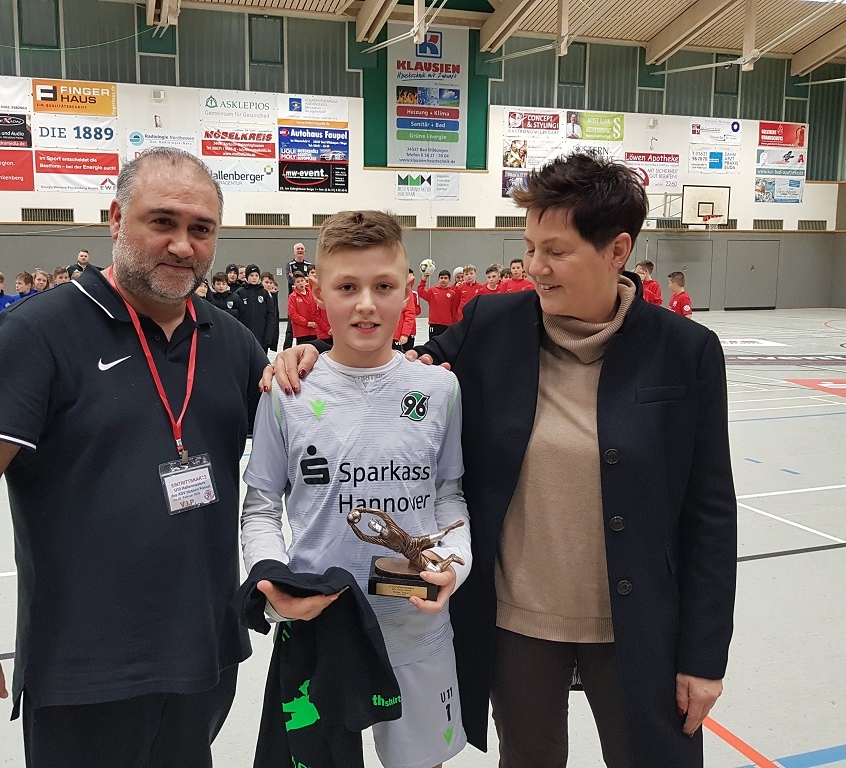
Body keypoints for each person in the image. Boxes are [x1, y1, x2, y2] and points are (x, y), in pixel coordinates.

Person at [268, 151, 737, 768]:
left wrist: (704, 656)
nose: (534, 266)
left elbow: (710, 511)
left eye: (556, 251)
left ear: (617, 251)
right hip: (519, 625)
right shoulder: (492, 324)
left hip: (640, 623)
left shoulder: (685, 351)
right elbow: (396, 370)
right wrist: (309, 357)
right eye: (530, 247)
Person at [0, 146, 269, 768]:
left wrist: (309, 366)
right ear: (115, 219)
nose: (183, 245)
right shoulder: (37, 333)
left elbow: (297, 459)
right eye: (162, 221)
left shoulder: (232, 342)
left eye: (201, 228)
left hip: (205, 656)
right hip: (84, 670)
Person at [242, 209, 471, 768]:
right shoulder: (287, 390)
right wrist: (273, 579)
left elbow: (448, 495)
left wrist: (455, 565)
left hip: (416, 627)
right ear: (318, 293)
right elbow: (262, 507)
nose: (366, 304)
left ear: (409, 291)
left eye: (383, 286)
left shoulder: (439, 390)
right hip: (320, 628)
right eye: (347, 287)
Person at [234, 264, 275, 351]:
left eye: (256, 275)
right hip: (244, 336)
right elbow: (235, 315)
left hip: (261, 337)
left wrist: (268, 338)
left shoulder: (265, 294)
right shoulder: (240, 293)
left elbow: (271, 315)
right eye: (251, 275)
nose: (254, 278)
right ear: (247, 276)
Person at [283, 242, 314, 350]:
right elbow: (290, 280)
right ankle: (287, 349)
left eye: (302, 249)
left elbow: (311, 279)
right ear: (294, 251)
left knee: (308, 324)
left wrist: (301, 278)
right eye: (298, 249)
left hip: (306, 297)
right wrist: (303, 278)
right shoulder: (290, 265)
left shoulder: (308, 264)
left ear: (305, 251)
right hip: (295, 299)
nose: (300, 250)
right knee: (290, 326)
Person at [417, 269, 459, 339]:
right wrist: (423, 280)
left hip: (447, 325)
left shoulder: (452, 293)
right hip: (434, 324)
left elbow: (454, 309)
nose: (443, 280)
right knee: (433, 343)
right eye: (441, 278)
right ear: (438, 279)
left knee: (445, 344)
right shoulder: (432, 290)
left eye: (445, 278)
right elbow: (421, 292)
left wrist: (454, 324)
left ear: (449, 280)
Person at [286, 271, 319, 345]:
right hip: (301, 332)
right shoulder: (292, 297)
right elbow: (293, 314)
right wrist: (306, 323)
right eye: (298, 282)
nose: (301, 283)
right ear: (294, 284)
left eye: (302, 280)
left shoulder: (312, 293)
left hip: (315, 330)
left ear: (305, 281)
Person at [261, 272, 281, 351]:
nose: (269, 285)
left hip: (269, 330)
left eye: (270, 283)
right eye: (266, 282)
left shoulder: (272, 296)